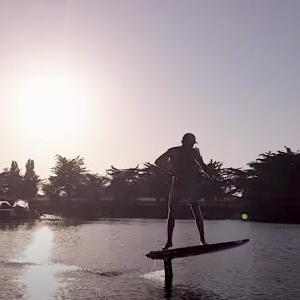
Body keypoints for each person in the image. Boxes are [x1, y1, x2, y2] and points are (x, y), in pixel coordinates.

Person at [155, 133, 210, 250]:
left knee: (196, 212)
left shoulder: (193, 152)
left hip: (190, 185)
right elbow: (158, 161)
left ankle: (202, 240)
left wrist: (210, 175)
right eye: (190, 143)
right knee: (174, 213)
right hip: (181, 185)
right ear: (184, 142)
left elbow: (203, 166)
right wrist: (170, 168)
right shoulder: (175, 151)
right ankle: (170, 242)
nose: (190, 146)